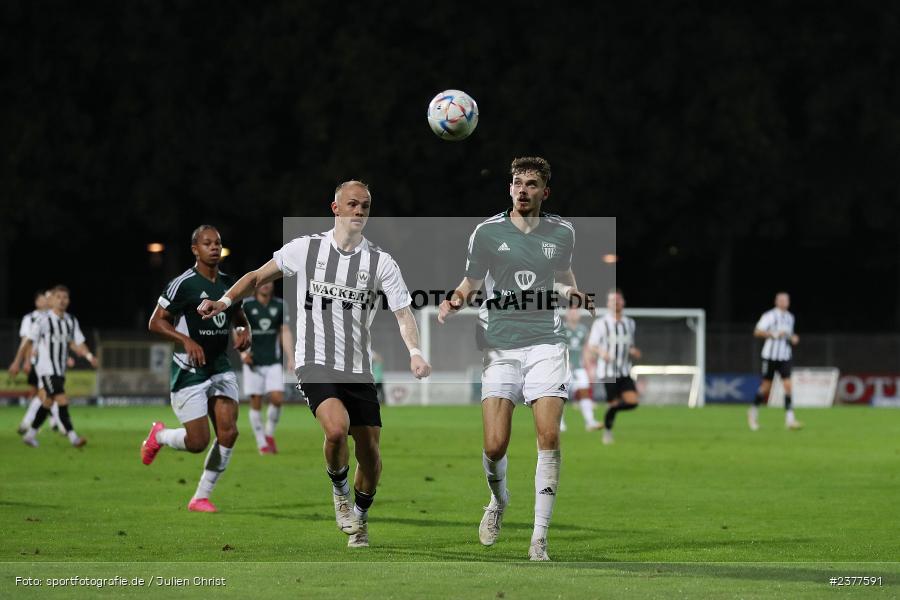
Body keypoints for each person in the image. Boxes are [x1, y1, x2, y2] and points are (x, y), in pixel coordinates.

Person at [198, 180, 431, 549]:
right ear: (335, 208)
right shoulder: (305, 249)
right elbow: (258, 276)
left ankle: (362, 520)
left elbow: (404, 313)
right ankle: (340, 495)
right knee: (336, 430)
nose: (359, 211)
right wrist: (224, 302)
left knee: (370, 458)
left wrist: (415, 352)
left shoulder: (380, 261)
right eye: (352, 204)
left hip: (358, 368)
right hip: (314, 362)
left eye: (365, 206)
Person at [438, 156, 593, 561]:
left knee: (549, 436)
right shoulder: (487, 232)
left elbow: (563, 275)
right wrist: (454, 300)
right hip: (501, 346)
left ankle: (539, 536)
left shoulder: (562, 232)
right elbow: (472, 280)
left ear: (545, 191)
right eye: (517, 183)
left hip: (546, 342)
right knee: (494, 445)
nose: (523, 190)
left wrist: (573, 293)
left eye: (531, 184)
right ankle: (499, 500)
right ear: (509, 188)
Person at [141, 225, 252, 513]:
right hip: (189, 369)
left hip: (220, 366)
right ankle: (160, 436)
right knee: (198, 441)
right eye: (207, 243)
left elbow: (238, 314)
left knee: (228, 433)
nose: (214, 247)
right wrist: (185, 340)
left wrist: (242, 329)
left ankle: (200, 497)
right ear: (195, 250)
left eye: (217, 243)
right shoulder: (183, 284)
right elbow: (156, 322)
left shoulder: (229, 282)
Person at [9, 285, 98, 448]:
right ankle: (73, 438)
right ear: (52, 300)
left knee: (48, 402)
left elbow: (77, 342)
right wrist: (17, 362)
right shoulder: (43, 320)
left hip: (59, 370)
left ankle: (29, 435)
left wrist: (89, 356)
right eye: (59, 297)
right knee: (62, 399)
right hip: (46, 370)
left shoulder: (71, 321)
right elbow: (27, 341)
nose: (62, 300)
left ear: (69, 301)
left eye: (65, 297)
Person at [240, 281, 294, 454]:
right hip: (252, 361)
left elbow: (285, 331)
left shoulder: (280, 305)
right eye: (262, 282)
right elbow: (237, 329)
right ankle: (261, 442)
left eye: (269, 282)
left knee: (277, 398)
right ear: (256, 286)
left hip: (273, 361)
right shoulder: (246, 305)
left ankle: (269, 434)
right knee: (256, 403)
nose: (265, 285)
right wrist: (242, 353)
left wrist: (291, 357)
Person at [585, 289, 641, 445]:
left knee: (633, 402)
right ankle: (608, 432)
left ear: (623, 302)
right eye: (612, 300)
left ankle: (610, 414)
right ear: (608, 304)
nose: (616, 303)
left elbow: (628, 344)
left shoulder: (630, 323)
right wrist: (602, 352)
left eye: (618, 300)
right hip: (608, 372)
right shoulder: (601, 323)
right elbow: (592, 345)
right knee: (613, 403)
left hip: (624, 370)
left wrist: (633, 351)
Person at [749, 292, 801, 431]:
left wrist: (793, 338)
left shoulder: (790, 317)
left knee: (788, 386)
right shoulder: (769, 316)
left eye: (786, 300)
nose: (784, 302)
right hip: (770, 356)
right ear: (776, 302)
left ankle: (790, 419)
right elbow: (757, 331)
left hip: (785, 356)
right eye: (781, 300)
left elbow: (789, 335)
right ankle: (753, 412)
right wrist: (773, 334)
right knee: (766, 388)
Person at [563, 307, 599, 431]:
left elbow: (586, 349)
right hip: (563, 369)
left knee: (585, 393)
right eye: (571, 313)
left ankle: (590, 421)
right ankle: (560, 423)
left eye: (576, 313)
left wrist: (589, 365)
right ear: (567, 315)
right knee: (561, 396)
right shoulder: (561, 329)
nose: (574, 315)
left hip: (579, 368)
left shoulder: (583, 330)